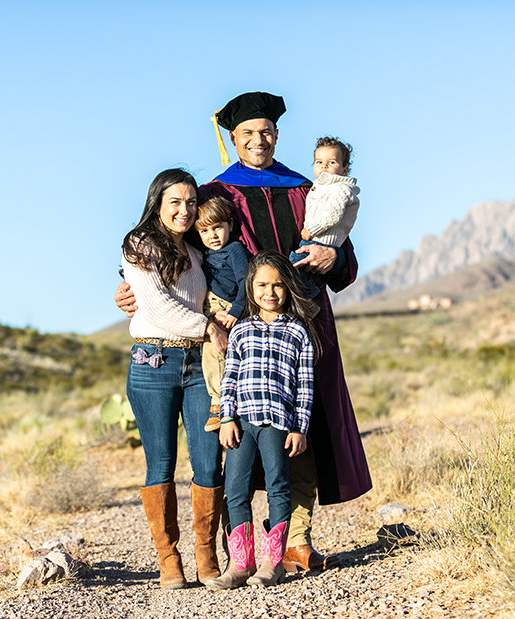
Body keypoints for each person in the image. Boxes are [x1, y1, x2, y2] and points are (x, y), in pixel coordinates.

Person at [116, 92, 372, 572]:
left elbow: (345, 255)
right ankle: (236, 548)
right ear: (232, 138)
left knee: (302, 428)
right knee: (235, 434)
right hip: (239, 332)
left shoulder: (305, 189)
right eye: (248, 133)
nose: (259, 140)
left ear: (277, 135)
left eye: (267, 131)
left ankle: (296, 539)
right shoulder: (216, 194)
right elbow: (173, 254)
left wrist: (334, 257)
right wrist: (125, 286)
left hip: (304, 325)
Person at [121, 168, 226, 588]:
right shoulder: (139, 245)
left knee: (207, 460)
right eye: (175, 203)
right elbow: (159, 308)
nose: (185, 210)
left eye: (191, 202)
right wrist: (207, 327)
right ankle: (169, 558)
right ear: (158, 205)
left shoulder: (197, 251)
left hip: (199, 366)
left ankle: (206, 553)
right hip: (153, 364)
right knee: (161, 463)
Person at [206, 251, 319, 590]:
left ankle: (273, 563)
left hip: (277, 424)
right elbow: (230, 378)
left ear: (288, 288)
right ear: (250, 287)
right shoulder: (241, 331)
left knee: (278, 486)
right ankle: (240, 564)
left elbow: (305, 385)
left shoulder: (299, 333)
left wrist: (300, 427)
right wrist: (227, 418)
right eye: (262, 285)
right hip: (242, 422)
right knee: (235, 489)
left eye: (278, 285)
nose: (270, 292)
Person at [193, 196, 249, 432]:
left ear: (230, 226)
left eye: (217, 228)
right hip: (208, 311)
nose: (212, 235)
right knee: (212, 355)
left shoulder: (235, 249)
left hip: (227, 309)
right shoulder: (202, 255)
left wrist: (237, 309)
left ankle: (218, 405)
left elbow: (247, 280)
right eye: (205, 231)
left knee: (215, 353)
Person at [288, 136, 360, 299]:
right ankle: (307, 296)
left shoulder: (340, 189)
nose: (324, 166)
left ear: (344, 168)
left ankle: (307, 299)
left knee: (292, 266)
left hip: (318, 240)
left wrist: (310, 231)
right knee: (299, 268)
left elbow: (332, 217)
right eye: (319, 162)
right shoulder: (321, 187)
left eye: (332, 162)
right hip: (317, 239)